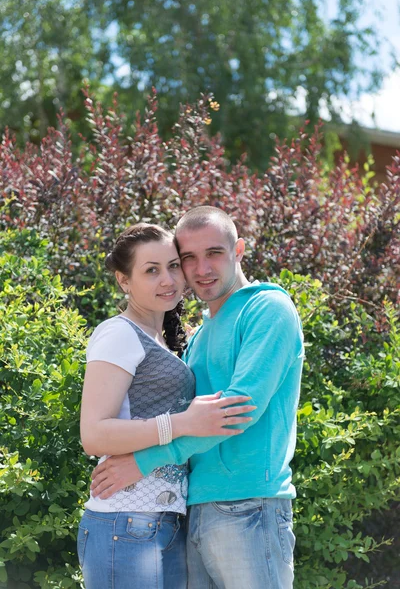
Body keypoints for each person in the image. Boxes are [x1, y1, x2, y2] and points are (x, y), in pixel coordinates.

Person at [91, 207, 304, 589]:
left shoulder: (268, 308)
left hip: (250, 503)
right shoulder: (199, 335)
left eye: (214, 253)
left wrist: (147, 459)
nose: (201, 268)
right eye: (189, 258)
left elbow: (238, 411)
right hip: (193, 511)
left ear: (238, 250)